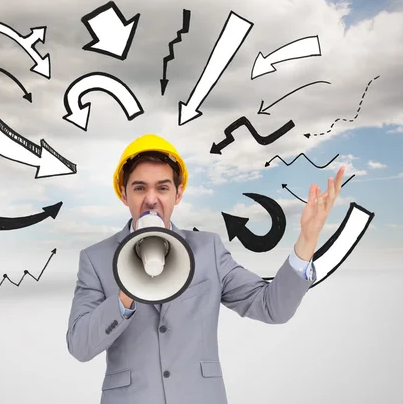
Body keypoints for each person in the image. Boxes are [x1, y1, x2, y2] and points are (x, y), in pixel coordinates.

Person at [66, 134, 345, 404]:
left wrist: (308, 239)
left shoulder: (208, 249)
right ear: (124, 194)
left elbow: (273, 308)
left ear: (178, 194)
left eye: (162, 188)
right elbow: (80, 346)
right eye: (139, 188)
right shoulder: (96, 259)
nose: (151, 199)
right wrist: (125, 294)